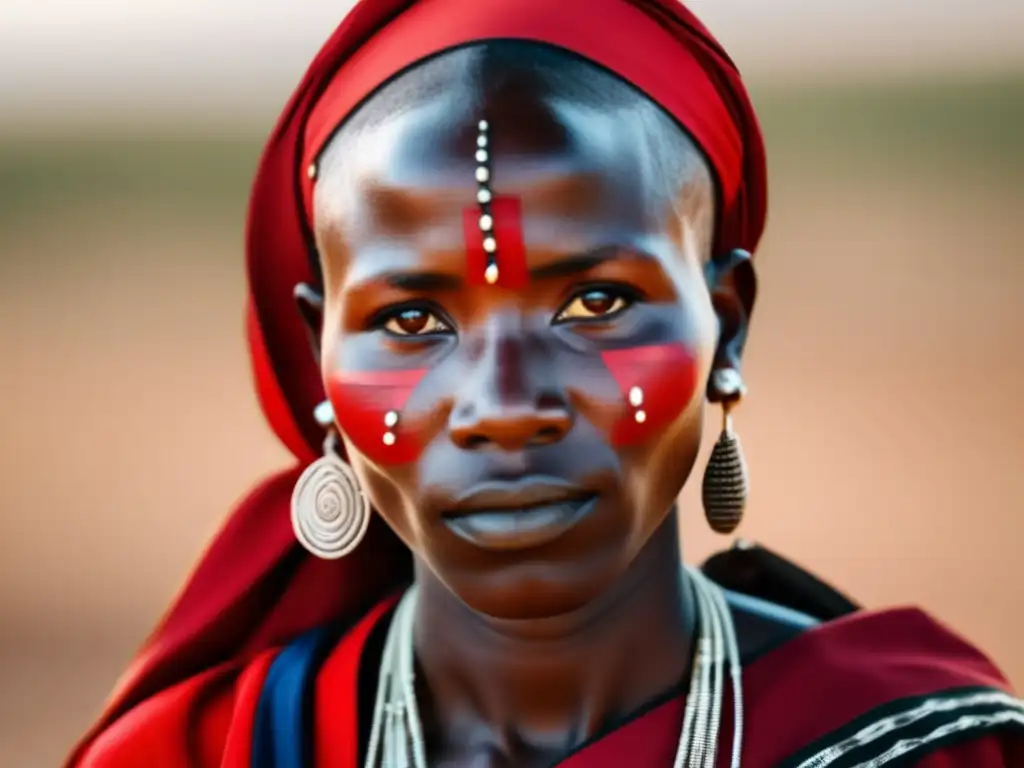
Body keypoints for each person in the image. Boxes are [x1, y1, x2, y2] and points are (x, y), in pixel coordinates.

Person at [67, 1, 1023, 766]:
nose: (506, 405)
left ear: (726, 320)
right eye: (411, 321)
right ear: (320, 346)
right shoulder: (199, 754)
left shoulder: (918, 750)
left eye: (596, 302)